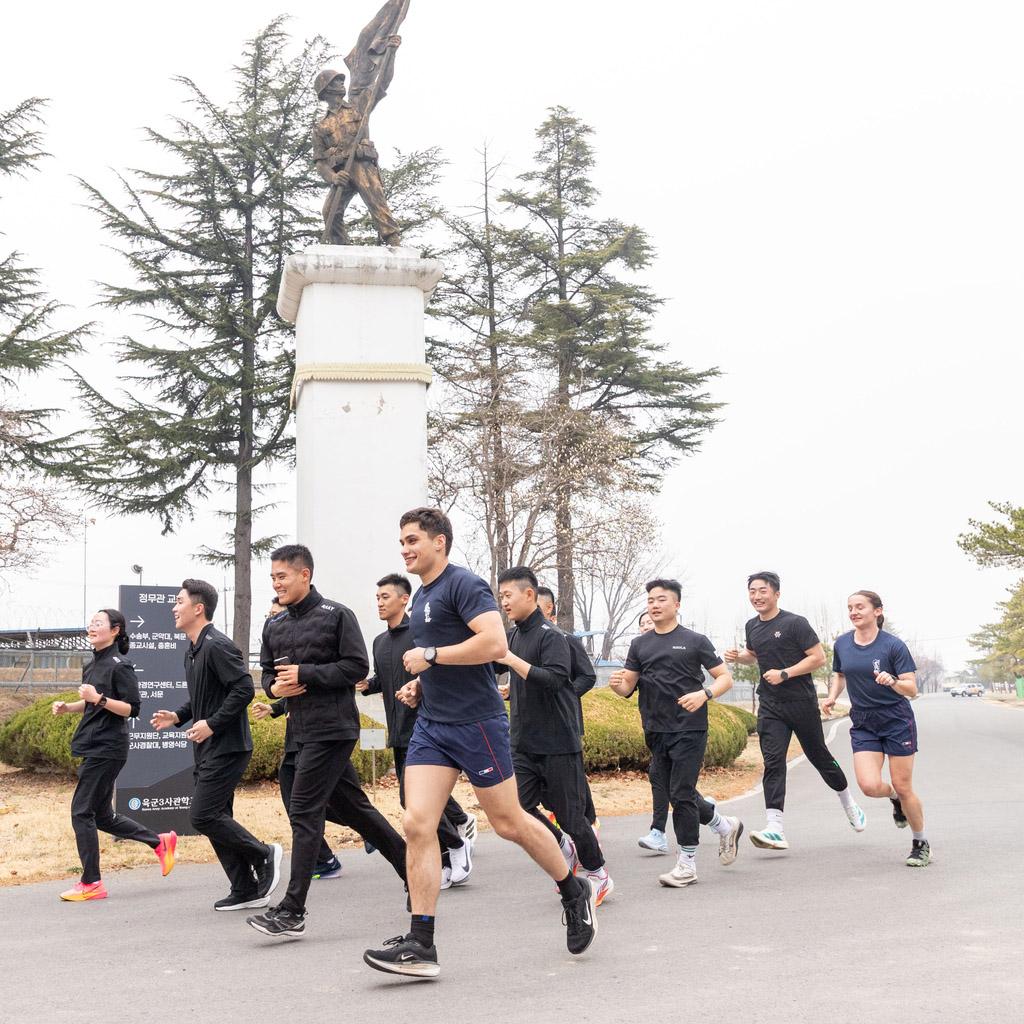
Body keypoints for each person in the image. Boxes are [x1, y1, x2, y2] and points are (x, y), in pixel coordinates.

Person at [363, 508, 597, 979]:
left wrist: (430, 656)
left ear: (439, 542)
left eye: (413, 540)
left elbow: (493, 646)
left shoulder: (464, 585)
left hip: (477, 725)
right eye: (402, 542)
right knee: (417, 822)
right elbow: (451, 660)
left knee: (510, 822)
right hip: (433, 725)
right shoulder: (423, 595)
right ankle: (421, 942)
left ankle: (574, 891)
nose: (405, 549)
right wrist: (423, 683)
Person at [247, 545, 408, 939]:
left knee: (304, 811)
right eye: (272, 577)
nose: (276, 583)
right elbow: (266, 674)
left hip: (333, 729)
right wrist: (275, 688)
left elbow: (356, 667)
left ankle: (292, 910)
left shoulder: (336, 615)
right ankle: (414, 869)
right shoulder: (274, 625)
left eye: (282, 576)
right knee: (356, 811)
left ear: (305, 575)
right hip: (298, 733)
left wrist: (306, 674)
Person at [152, 580, 282, 911]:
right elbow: (204, 697)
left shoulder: (217, 646)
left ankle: (263, 853)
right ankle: (245, 888)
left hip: (229, 746)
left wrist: (211, 724)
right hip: (209, 747)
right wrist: (178, 716)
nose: (174, 608)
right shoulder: (193, 650)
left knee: (203, 815)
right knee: (218, 816)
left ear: (198, 608)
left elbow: (244, 689)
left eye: (179, 601)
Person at [609, 579, 742, 888]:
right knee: (675, 791)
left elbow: (724, 678)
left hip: (689, 727)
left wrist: (704, 695)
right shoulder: (639, 644)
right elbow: (627, 687)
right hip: (655, 729)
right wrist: (617, 686)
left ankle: (687, 864)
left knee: (681, 793)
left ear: (677, 604)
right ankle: (724, 826)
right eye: (651, 600)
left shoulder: (694, 641)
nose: (654, 605)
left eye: (661, 600)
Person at [724, 572, 866, 850]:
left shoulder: (795, 623)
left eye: (762, 590)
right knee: (773, 762)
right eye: (752, 591)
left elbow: (818, 658)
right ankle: (775, 828)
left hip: (800, 702)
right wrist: (740, 656)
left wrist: (785, 673)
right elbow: (755, 655)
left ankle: (848, 802)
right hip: (770, 704)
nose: (756, 596)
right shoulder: (752, 626)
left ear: (776, 594)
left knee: (819, 756)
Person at [497, 567, 613, 906]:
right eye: (501, 596)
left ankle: (598, 875)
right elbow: (494, 664)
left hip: (558, 742)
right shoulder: (513, 636)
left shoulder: (553, 636)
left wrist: (512, 661)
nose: (504, 602)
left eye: (508, 595)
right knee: (518, 809)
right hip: (523, 741)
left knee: (572, 817)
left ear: (529, 595)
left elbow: (554, 679)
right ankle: (563, 846)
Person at [356, 573, 475, 888]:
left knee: (413, 801)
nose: (379, 603)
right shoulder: (379, 642)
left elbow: (439, 671)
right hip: (397, 732)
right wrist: (367, 685)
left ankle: (455, 846)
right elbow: (386, 679)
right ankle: (451, 851)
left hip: (426, 729)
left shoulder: (421, 634)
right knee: (413, 803)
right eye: (377, 598)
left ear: (404, 599)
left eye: (385, 597)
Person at [52, 609, 176, 901]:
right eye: (91, 623)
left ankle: (91, 882)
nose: (92, 627)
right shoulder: (91, 664)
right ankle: (159, 842)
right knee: (102, 816)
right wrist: (69, 707)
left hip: (107, 747)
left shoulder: (120, 666)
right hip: (94, 745)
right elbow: (92, 704)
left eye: (99, 623)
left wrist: (99, 698)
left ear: (115, 630)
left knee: (81, 812)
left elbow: (132, 708)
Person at [824, 591, 930, 867]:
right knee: (870, 786)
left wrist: (892, 681)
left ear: (878, 611)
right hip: (863, 722)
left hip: (896, 721)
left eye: (860, 607)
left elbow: (912, 689)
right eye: (850, 608)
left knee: (904, 785)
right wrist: (832, 696)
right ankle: (894, 799)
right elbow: (840, 674)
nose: (854, 612)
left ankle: (920, 842)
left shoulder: (893, 646)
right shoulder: (842, 643)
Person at [252, 598, 342, 881]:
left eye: (275, 614)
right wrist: (273, 704)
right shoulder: (277, 641)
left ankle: (326, 859)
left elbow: (308, 685)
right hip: (296, 738)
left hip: (323, 736)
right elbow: (284, 689)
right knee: (301, 805)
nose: (272, 619)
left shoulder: (319, 630)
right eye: (269, 615)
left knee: (311, 805)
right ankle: (325, 858)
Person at [536, 586, 599, 828]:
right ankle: (564, 820)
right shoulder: (521, 639)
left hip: (564, 723)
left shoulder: (566, 639)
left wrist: (565, 694)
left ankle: (588, 823)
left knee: (573, 780)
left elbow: (588, 676)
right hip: (534, 724)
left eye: (536, 606)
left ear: (549, 608)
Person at [630, 610, 672, 853]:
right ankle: (713, 816)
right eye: (643, 624)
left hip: (680, 728)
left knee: (668, 781)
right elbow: (627, 686)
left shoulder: (675, 649)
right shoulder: (639, 653)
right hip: (653, 726)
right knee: (665, 779)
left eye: (649, 622)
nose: (647, 626)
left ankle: (658, 832)